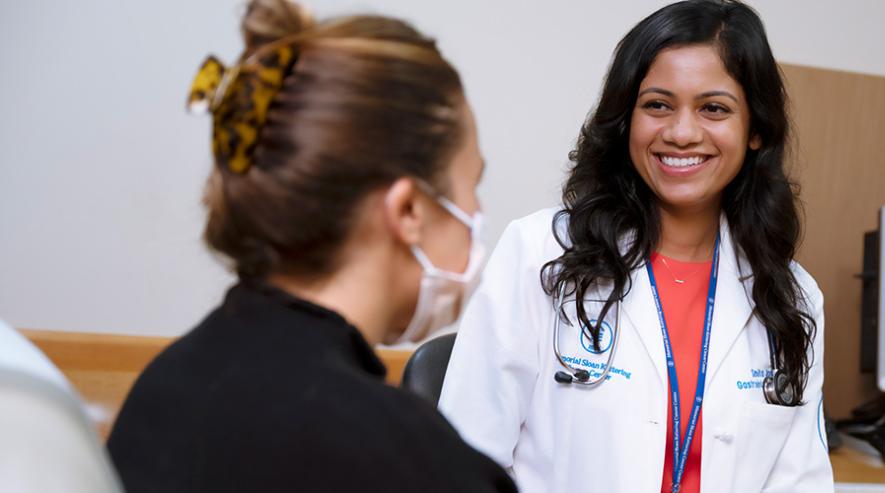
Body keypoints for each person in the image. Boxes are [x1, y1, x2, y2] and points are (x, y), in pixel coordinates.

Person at [106, 1, 515, 492]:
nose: (475, 214)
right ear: (407, 210)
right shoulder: (412, 461)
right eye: (472, 183)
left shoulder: (166, 385)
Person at [438, 1, 833, 491]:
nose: (682, 133)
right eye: (657, 105)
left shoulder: (791, 297)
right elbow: (463, 461)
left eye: (714, 108)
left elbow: (800, 483)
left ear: (755, 131)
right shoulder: (540, 253)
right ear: (627, 119)